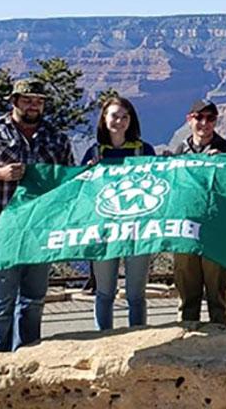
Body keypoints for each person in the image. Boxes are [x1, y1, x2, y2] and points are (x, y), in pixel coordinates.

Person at [0, 79, 74, 351]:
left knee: (33, 303)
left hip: (39, 231)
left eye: (39, 100)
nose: (34, 105)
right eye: (28, 99)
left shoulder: (56, 137)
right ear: (15, 101)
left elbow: (69, 181)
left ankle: (26, 368)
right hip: (0, 229)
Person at [80, 96, 156, 331]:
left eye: (125, 117)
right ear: (104, 118)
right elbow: (80, 190)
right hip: (104, 229)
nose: (120, 121)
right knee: (104, 293)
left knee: (135, 294)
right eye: (115, 116)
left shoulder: (144, 150)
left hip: (137, 230)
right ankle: (104, 339)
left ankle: (137, 335)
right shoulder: (94, 152)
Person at [170, 99, 226, 324]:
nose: (204, 123)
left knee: (217, 292)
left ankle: (220, 339)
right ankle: (186, 335)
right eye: (199, 118)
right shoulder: (179, 150)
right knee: (187, 291)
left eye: (210, 119)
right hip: (186, 229)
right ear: (189, 119)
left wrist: (224, 165)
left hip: (215, 231)